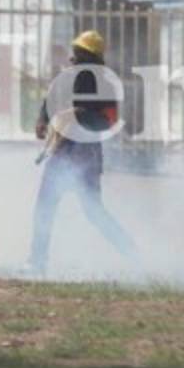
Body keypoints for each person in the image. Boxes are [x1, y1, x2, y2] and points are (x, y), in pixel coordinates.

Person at [27, 30, 138, 275]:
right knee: (49, 207)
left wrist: (78, 116)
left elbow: (107, 121)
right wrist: (42, 120)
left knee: (86, 211)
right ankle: (37, 262)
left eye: (80, 54)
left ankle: (133, 253)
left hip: (82, 154)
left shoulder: (103, 84)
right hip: (65, 152)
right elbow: (50, 101)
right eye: (76, 53)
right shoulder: (68, 78)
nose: (74, 59)